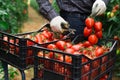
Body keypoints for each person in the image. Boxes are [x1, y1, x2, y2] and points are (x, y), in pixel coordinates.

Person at [36, 0, 110, 36]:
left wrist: (103, 1)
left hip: (94, 20)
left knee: (95, 59)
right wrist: (52, 15)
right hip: (71, 20)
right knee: (76, 60)